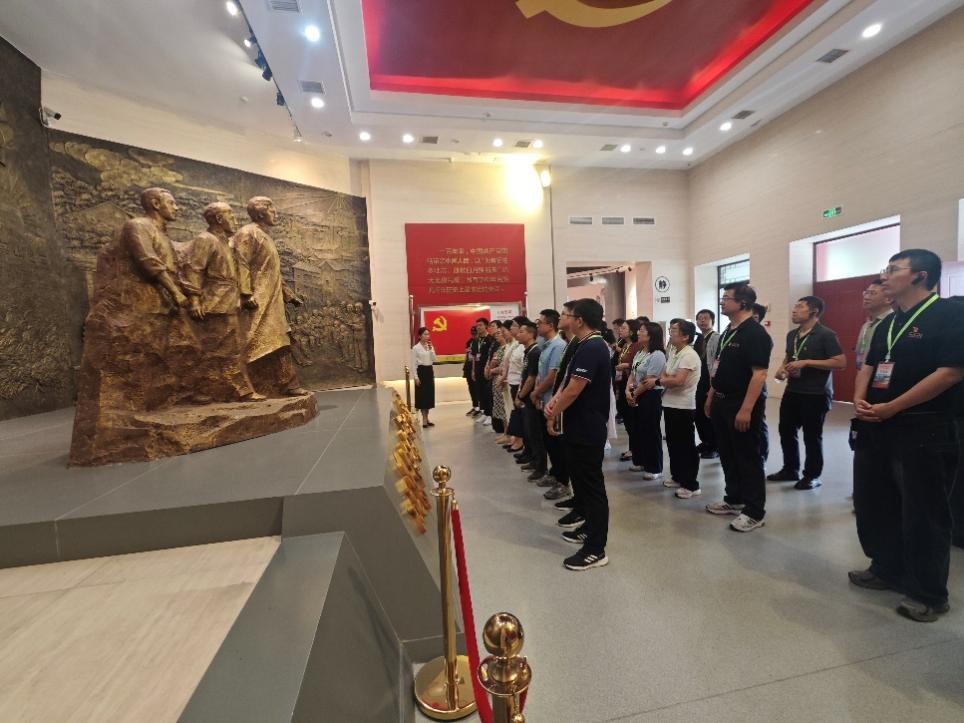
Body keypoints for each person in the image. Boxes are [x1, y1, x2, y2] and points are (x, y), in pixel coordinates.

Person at [850, 250, 964, 623]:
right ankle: (886, 568)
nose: (884, 276)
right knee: (876, 501)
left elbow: (950, 372)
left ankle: (928, 592)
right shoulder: (888, 323)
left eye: (892, 269)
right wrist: (860, 398)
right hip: (878, 425)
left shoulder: (949, 314)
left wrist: (894, 406)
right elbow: (869, 365)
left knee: (924, 511)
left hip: (923, 427)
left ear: (919, 275)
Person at [545, 298, 612, 571]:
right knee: (582, 485)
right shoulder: (584, 344)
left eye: (568, 315)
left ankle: (596, 549)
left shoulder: (593, 346)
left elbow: (574, 389)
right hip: (577, 426)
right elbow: (568, 383)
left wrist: (553, 412)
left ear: (579, 320)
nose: (565, 318)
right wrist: (556, 403)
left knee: (591, 487)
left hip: (587, 428)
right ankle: (588, 528)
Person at [704, 282, 773, 532]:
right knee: (728, 453)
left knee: (747, 457)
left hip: (741, 402)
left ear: (742, 303)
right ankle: (734, 498)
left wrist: (746, 409)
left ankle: (754, 511)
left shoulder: (755, 333)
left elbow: (759, 374)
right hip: (721, 400)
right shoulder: (728, 332)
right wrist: (711, 396)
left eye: (726, 298)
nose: (722, 302)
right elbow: (719, 368)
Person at [181, 201, 262, 403]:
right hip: (215, 305)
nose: (235, 220)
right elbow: (194, 270)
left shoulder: (226, 242)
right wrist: (194, 300)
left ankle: (208, 391)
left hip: (228, 303)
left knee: (224, 349)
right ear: (219, 219)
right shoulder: (205, 240)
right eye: (230, 216)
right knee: (223, 349)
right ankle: (238, 391)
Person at [768, 296, 846, 490]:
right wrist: (782, 369)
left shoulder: (826, 334)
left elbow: (840, 362)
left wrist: (807, 362)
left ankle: (812, 475)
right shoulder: (792, 334)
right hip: (793, 391)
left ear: (814, 311)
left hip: (816, 394)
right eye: (794, 306)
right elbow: (789, 357)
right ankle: (790, 469)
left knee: (812, 436)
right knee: (786, 431)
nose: (794, 310)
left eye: (800, 307)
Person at [235, 196, 307, 397]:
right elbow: (241, 263)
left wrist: (288, 295)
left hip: (272, 299)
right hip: (258, 300)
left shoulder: (265, 236)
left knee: (280, 339)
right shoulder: (247, 233)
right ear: (260, 213)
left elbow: (272, 272)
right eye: (271, 209)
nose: (275, 213)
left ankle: (289, 384)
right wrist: (246, 294)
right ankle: (246, 387)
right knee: (253, 341)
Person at [660, 319, 702, 498]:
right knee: (673, 443)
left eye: (675, 330)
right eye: (671, 329)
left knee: (685, 445)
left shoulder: (689, 355)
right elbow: (665, 373)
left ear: (686, 336)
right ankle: (677, 476)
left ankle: (691, 484)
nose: (671, 332)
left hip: (683, 405)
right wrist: (665, 379)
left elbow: (678, 381)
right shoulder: (674, 352)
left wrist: (661, 380)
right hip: (670, 402)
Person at [532, 309, 567, 495]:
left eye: (540, 322)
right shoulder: (546, 345)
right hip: (544, 399)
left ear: (550, 325)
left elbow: (553, 376)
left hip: (553, 401)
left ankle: (563, 481)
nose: (537, 325)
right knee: (549, 442)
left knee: (557, 443)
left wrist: (536, 392)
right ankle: (555, 474)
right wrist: (538, 394)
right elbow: (541, 373)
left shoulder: (558, 346)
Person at [625, 321, 667, 479]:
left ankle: (654, 467)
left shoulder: (657, 355)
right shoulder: (640, 352)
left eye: (642, 331)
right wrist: (627, 390)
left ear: (650, 335)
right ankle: (640, 461)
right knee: (638, 430)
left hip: (650, 395)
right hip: (637, 393)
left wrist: (634, 394)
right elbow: (633, 373)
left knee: (650, 431)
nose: (638, 333)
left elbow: (649, 380)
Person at [515, 320, 547, 482]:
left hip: (532, 398)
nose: (518, 334)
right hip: (527, 398)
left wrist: (521, 395)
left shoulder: (535, 352)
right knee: (530, 432)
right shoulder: (528, 351)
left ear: (530, 334)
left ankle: (541, 467)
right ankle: (534, 460)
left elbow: (531, 378)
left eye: (521, 331)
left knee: (536, 433)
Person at [613, 320, 641, 463]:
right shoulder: (625, 345)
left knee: (632, 419)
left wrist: (627, 365)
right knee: (627, 417)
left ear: (631, 331)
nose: (620, 330)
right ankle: (633, 448)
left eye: (623, 328)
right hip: (623, 381)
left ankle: (635, 450)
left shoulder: (637, 346)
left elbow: (639, 364)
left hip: (633, 383)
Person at [694, 309, 719, 459]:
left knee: (709, 415)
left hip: (708, 382)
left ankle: (715, 446)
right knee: (698, 414)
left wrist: (712, 386)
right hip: (697, 381)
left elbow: (717, 361)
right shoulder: (697, 339)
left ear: (712, 321)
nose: (702, 321)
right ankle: (705, 441)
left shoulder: (716, 338)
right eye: (700, 318)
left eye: (706, 318)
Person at [855, 280, 892, 371]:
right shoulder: (866, 325)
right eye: (866, 293)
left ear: (888, 299)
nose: (866, 297)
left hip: (882, 376)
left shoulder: (893, 323)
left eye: (872, 293)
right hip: (863, 374)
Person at [411, 326, 437, 428]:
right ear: (420, 336)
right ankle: (424, 419)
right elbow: (413, 364)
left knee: (429, 396)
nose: (427, 336)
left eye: (428, 334)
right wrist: (416, 377)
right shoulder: (416, 348)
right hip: (421, 372)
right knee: (422, 396)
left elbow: (434, 359)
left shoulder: (430, 346)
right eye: (425, 334)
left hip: (429, 371)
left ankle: (427, 417)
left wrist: (431, 350)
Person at [463, 326, 480, 415]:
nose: (473, 335)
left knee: (477, 387)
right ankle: (475, 405)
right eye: (472, 334)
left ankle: (480, 407)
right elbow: (467, 354)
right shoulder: (469, 342)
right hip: (468, 366)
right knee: (471, 387)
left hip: (476, 367)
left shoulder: (480, 342)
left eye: (475, 333)